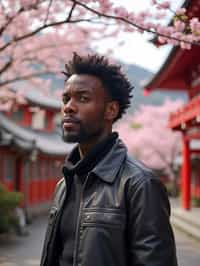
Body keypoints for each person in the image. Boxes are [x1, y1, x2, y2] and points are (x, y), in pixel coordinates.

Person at [40, 53, 178, 266]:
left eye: (83, 98)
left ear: (111, 110)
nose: (68, 107)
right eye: (66, 99)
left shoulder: (139, 184)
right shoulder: (64, 184)